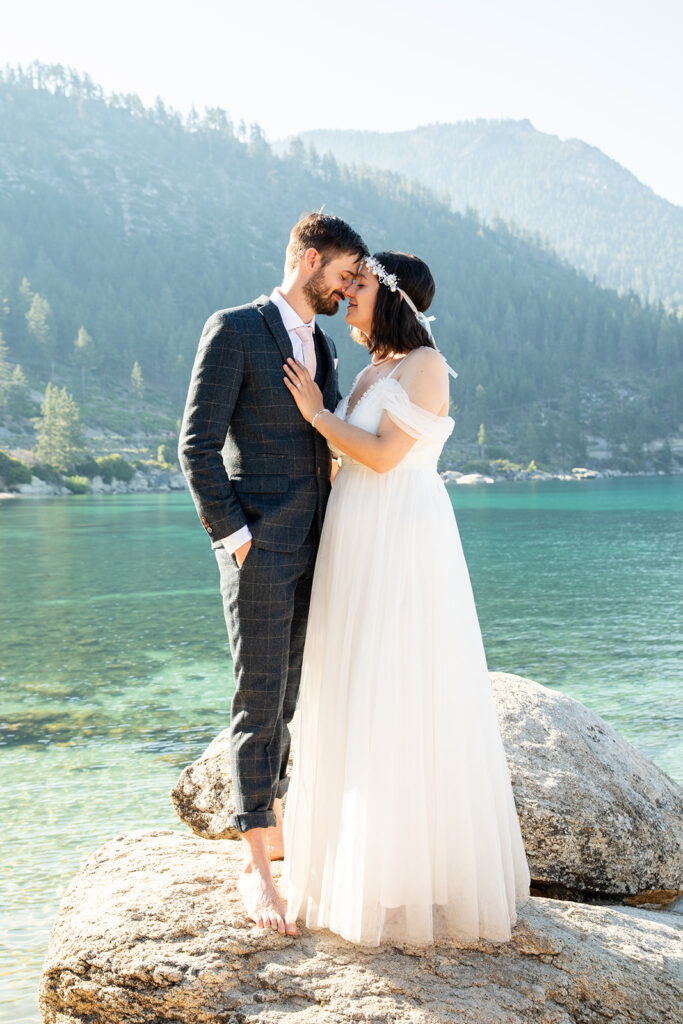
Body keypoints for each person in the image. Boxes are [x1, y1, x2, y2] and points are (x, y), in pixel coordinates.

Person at [281, 251, 531, 945]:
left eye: (357, 285)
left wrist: (312, 413)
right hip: (353, 531)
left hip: (401, 536)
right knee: (350, 684)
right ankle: (353, 867)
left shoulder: (425, 364)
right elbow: (345, 456)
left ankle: (409, 882)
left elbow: (385, 456)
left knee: (398, 689)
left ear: (390, 296)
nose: (345, 293)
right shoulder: (368, 370)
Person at [178, 212, 368, 936]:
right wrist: (237, 539)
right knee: (258, 699)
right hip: (259, 550)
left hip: (319, 548)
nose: (348, 289)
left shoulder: (320, 343)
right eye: (344, 275)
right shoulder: (232, 328)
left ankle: (277, 825)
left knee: (292, 697)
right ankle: (255, 867)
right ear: (309, 259)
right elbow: (195, 447)